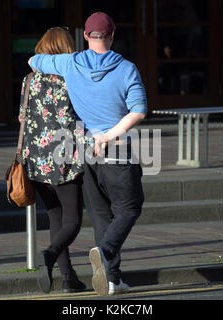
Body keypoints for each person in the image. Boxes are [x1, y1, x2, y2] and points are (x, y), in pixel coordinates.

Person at [28, 12, 147, 296]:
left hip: (87, 149)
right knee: (130, 207)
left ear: (85, 36)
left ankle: (112, 280)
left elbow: (34, 61)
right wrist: (109, 134)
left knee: (100, 214)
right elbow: (139, 111)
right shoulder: (127, 69)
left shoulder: (70, 64)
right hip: (116, 147)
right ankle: (105, 252)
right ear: (113, 34)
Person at [19, 27, 86, 294]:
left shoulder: (29, 79)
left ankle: (69, 278)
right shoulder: (71, 79)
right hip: (64, 158)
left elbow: (22, 118)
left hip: (35, 159)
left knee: (55, 217)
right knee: (73, 220)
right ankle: (50, 255)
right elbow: (77, 118)